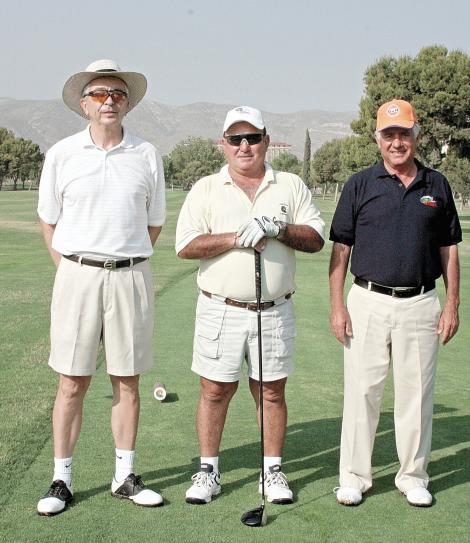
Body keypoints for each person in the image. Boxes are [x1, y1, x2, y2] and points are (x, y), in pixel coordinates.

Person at [175, 106, 325, 505]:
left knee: (271, 393)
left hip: (274, 309)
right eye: (236, 139)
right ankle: (208, 470)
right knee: (214, 391)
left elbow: (314, 238)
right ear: (223, 144)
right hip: (220, 308)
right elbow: (186, 245)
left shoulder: (290, 184)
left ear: (266, 140)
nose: (245, 146)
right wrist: (236, 237)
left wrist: (276, 227)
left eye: (253, 138)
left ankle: (272, 470)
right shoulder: (206, 188)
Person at [36, 59, 166, 515]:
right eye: (100, 94)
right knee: (72, 382)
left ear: (127, 104)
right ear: (83, 104)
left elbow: (153, 224)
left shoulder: (147, 154)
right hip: (78, 275)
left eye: (117, 94)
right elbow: (48, 221)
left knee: (127, 381)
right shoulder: (62, 154)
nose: (109, 100)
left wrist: (120, 259)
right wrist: (73, 268)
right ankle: (61, 480)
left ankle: (124, 477)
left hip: (131, 275)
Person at [329, 99, 461, 507]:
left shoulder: (436, 185)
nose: (397, 142)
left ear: (416, 136)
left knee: (415, 393)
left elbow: (449, 249)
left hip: (421, 302)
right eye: (390, 135)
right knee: (362, 393)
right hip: (367, 300)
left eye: (404, 133)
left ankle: (413, 476)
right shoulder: (359, 184)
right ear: (377, 139)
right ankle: (354, 476)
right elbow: (341, 250)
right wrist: (337, 305)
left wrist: (452, 303)